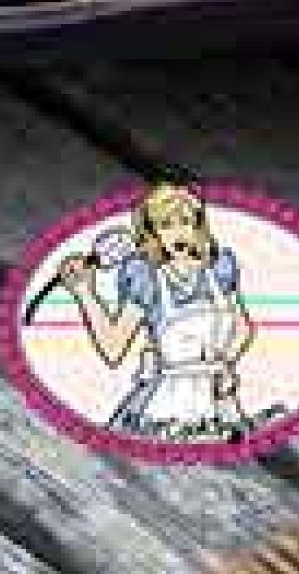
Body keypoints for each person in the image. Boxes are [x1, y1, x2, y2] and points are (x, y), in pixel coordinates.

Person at [58, 183, 255, 442]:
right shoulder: (146, 278)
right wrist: (85, 292)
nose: (177, 233)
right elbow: (113, 347)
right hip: (162, 403)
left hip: (217, 402)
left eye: (184, 222)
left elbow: (242, 328)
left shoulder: (219, 268)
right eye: (165, 225)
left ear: (198, 226)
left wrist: (225, 365)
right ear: (152, 234)